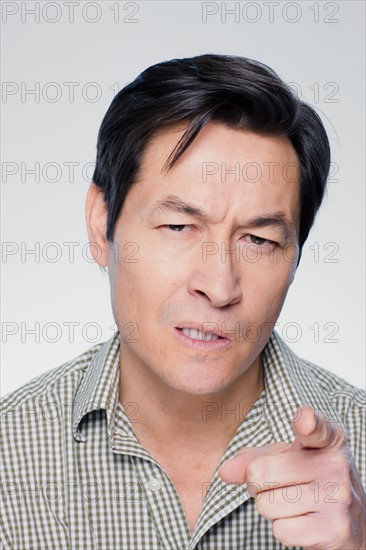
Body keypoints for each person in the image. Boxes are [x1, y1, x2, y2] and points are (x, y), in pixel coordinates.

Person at [1, 54, 365, 550]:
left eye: (258, 240)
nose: (219, 286)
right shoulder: (8, 452)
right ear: (98, 225)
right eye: (178, 227)